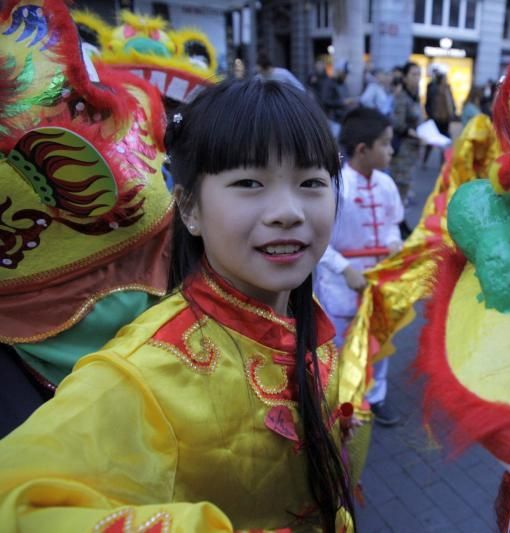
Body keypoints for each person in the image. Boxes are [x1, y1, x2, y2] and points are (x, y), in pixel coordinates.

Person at [0, 79, 355, 532]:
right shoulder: (144, 372)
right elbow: (17, 500)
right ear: (188, 209)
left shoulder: (303, 311)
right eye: (249, 182)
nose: (288, 211)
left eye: (311, 182)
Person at [316, 107, 404, 427]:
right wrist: (344, 268)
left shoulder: (386, 184)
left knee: (380, 340)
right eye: (385, 143)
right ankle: (343, 398)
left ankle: (376, 396)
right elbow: (316, 242)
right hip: (341, 289)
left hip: (379, 285)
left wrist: (394, 242)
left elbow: (394, 223)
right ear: (362, 149)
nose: (391, 150)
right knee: (340, 343)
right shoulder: (334, 188)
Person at [390, 61, 423, 204]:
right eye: (414, 74)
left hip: (412, 150)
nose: (417, 78)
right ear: (405, 77)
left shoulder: (415, 96)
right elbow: (398, 124)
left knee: (405, 188)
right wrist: (416, 134)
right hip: (402, 150)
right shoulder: (402, 97)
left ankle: (399, 221)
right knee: (399, 187)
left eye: (419, 74)